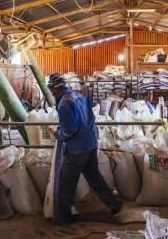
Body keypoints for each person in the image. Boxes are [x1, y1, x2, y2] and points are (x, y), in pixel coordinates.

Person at [47, 73, 122, 224]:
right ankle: (113, 204)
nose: (51, 93)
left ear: (57, 89)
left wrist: (57, 133)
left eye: (51, 90)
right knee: (94, 177)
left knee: (66, 182)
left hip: (76, 149)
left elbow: (69, 130)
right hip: (90, 144)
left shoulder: (63, 104)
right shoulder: (80, 97)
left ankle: (63, 218)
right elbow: (90, 119)